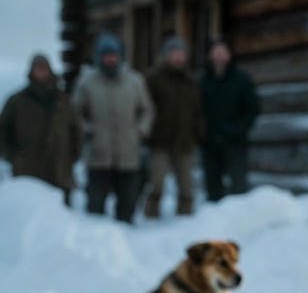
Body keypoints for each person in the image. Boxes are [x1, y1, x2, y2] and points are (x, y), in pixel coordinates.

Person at [73, 33, 154, 223]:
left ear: (120, 56)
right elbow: (75, 112)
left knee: (127, 206)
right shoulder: (87, 83)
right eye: (106, 55)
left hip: (128, 154)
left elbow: (147, 110)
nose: (110, 59)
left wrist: (141, 131)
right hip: (98, 155)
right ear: (99, 57)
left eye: (114, 55)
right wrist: (86, 129)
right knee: (95, 207)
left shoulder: (135, 81)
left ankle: (123, 242)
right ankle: (95, 243)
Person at [0, 53, 80, 204]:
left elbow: (76, 132)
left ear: (50, 70)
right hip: (27, 172)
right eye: (38, 69)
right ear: (31, 72)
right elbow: (3, 132)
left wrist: (72, 157)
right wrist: (13, 157)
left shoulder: (64, 101)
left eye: (44, 68)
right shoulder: (17, 101)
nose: (41, 72)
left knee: (61, 218)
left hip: (59, 172)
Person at [144, 36, 203, 217]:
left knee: (186, 185)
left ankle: (185, 218)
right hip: (159, 140)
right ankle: (151, 217)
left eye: (181, 53)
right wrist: (147, 133)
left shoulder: (191, 81)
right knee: (157, 183)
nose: (177, 57)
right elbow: (145, 107)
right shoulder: (153, 78)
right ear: (166, 55)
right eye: (174, 53)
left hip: (184, 141)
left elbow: (197, 111)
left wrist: (197, 133)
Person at [200, 37, 259, 202]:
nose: (219, 55)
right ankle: (215, 222)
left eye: (222, 51)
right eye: (215, 51)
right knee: (213, 189)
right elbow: (196, 111)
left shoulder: (242, 79)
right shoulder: (203, 81)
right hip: (210, 143)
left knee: (238, 186)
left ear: (229, 54)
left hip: (236, 142)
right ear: (210, 55)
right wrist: (202, 132)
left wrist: (238, 128)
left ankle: (239, 221)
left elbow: (253, 109)